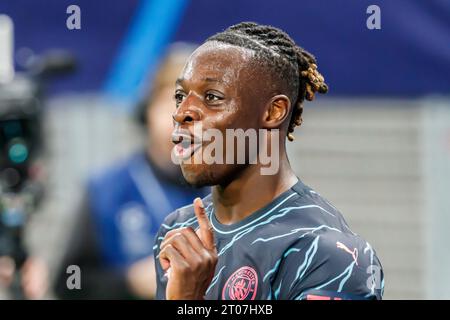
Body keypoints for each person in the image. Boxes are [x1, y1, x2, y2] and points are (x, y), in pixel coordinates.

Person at [154, 22, 384, 300]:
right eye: (180, 96)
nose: (182, 113)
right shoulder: (178, 231)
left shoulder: (328, 254)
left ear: (274, 112)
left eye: (212, 97)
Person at [54, 43, 207, 299]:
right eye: (174, 103)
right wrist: (130, 282)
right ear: (148, 110)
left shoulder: (230, 189)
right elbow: (67, 284)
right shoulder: (107, 190)